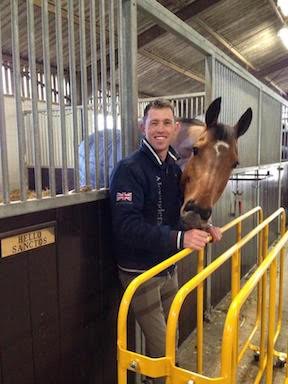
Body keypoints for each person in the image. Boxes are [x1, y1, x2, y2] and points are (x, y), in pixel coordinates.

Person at [109, 99, 221, 383]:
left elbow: (174, 216)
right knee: (161, 349)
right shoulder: (129, 170)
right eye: (154, 122)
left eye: (166, 123)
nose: (160, 129)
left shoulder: (172, 168)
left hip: (167, 267)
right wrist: (180, 238)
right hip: (140, 273)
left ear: (176, 127)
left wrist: (204, 227)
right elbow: (126, 226)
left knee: (172, 337)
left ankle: (162, 376)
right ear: (142, 127)